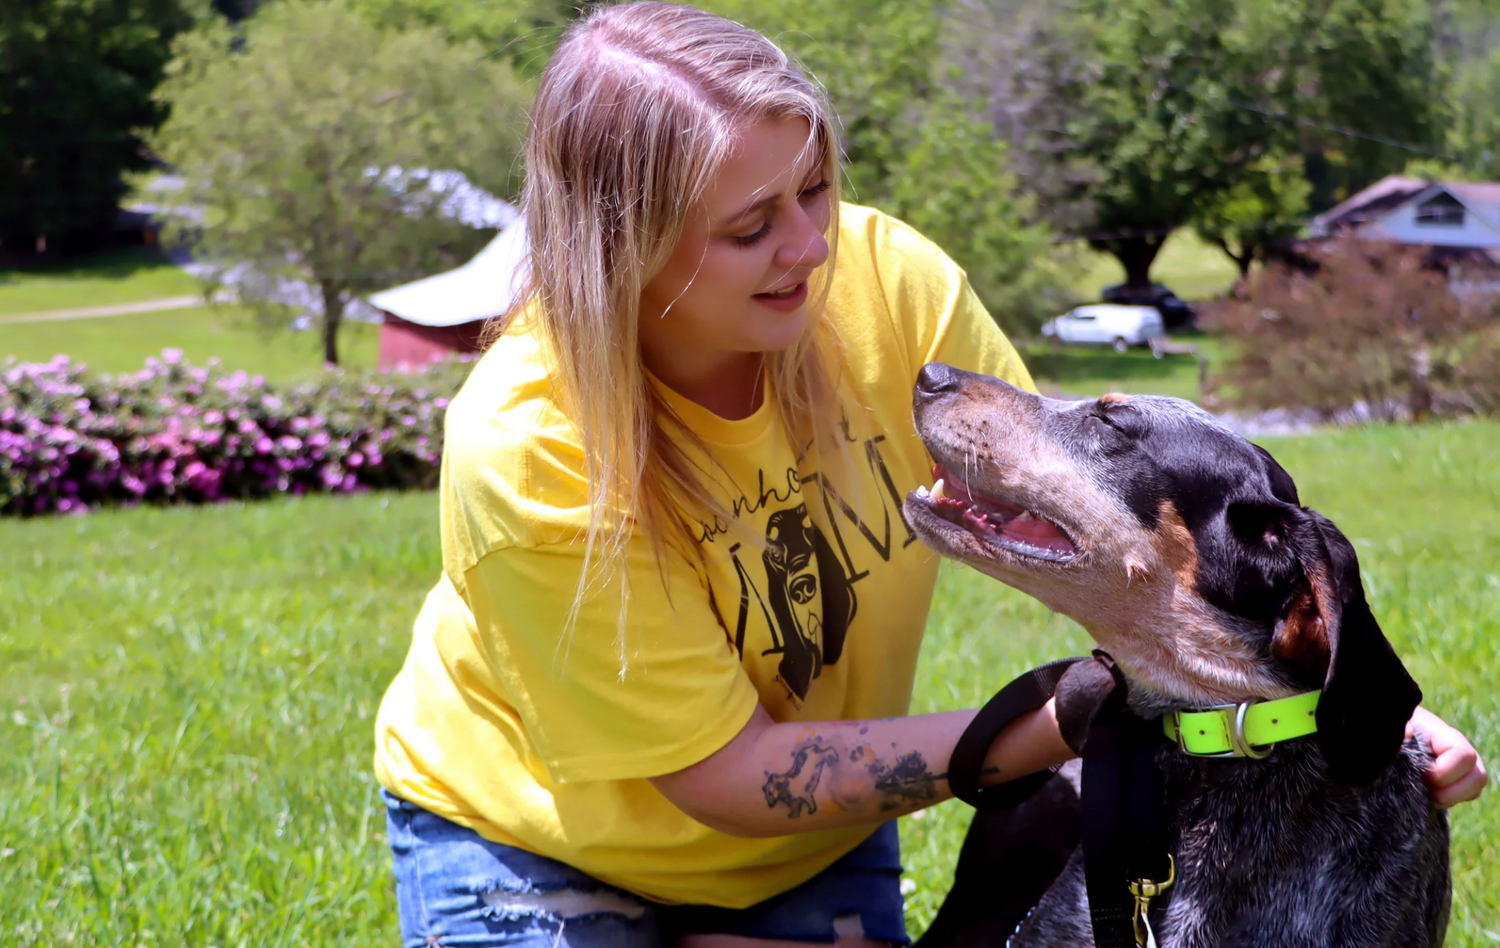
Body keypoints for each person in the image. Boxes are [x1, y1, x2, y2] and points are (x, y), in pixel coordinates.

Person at [373, 4, 1487, 947]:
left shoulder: (880, 281)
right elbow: (722, 775)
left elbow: (1093, 512)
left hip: (812, 850)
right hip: (530, 845)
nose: (812, 248)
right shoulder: (532, 444)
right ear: (621, 245)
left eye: (813, 189)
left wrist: (1348, 692)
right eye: (751, 225)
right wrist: (1061, 714)